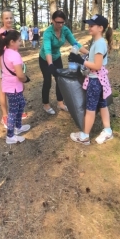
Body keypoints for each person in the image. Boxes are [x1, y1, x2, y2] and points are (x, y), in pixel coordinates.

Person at [68, 14, 113, 145]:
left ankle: (84, 136)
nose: (89, 27)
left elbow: (97, 66)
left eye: (92, 25)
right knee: (103, 105)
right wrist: (81, 54)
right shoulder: (98, 42)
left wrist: (80, 60)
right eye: (89, 24)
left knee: (90, 109)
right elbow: (92, 57)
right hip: (101, 80)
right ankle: (108, 131)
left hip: (95, 81)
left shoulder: (99, 44)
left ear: (100, 28)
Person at [39, 10, 89, 115]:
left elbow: (75, 43)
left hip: (56, 57)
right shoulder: (48, 33)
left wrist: (89, 54)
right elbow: (47, 49)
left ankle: (60, 103)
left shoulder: (65, 30)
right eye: (58, 22)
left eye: (62, 22)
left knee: (60, 80)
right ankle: (46, 104)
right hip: (45, 59)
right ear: (52, 21)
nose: (60, 24)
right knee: (47, 81)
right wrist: (50, 64)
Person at [0, 30, 31, 144]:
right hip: (14, 88)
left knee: (21, 104)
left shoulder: (5, 52)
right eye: (19, 40)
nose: (21, 43)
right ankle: (10, 136)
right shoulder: (14, 55)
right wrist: (26, 79)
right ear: (12, 42)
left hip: (10, 85)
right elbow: (20, 75)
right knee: (13, 111)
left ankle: (18, 126)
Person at [0, 9, 28, 128]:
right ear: (2, 20)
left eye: (11, 18)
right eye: (6, 18)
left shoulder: (14, 32)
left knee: (18, 86)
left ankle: (18, 109)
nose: (9, 20)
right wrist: (2, 68)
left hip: (14, 65)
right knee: (4, 89)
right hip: (3, 65)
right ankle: (5, 115)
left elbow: (16, 50)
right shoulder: (0, 33)